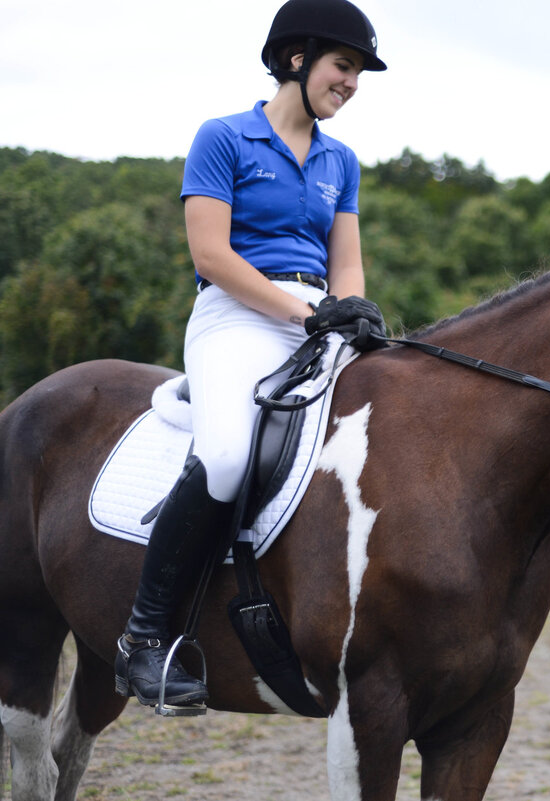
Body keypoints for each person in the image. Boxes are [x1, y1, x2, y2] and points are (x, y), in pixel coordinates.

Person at [115, 0, 389, 709]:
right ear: (296, 60)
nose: (351, 82)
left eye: (357, 72)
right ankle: (142, 641)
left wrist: (350, 311)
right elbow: (211, 252)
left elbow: (346, 263)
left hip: (316, 325)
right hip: (234, 318)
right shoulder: (224, 137)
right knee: (230, 454)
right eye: (343, 66)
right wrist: (304, 310)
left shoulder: (340, 161)